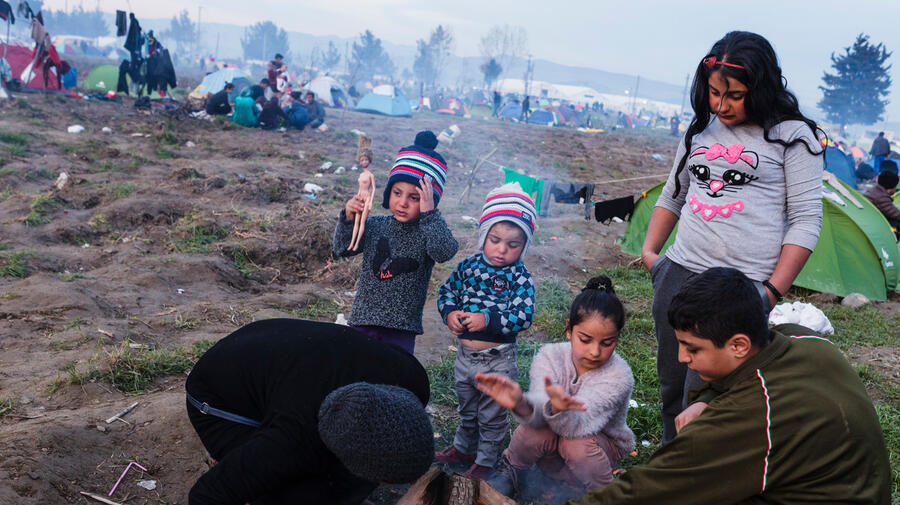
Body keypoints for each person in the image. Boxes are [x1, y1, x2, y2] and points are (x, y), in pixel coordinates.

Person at [553, 268, 892, 504]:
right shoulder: (807, 341)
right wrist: (708, 397)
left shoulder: (754, 416)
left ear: (739, 345)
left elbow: (652, 488)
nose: (683, 358)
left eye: (693, 348)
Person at [640, 31, 824, 443]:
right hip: (679, 272)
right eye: (714, 92)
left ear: (760, 89)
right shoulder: (701, 128)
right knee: (673, 384)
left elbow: (806, 220)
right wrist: (653, 255)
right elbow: (674, 193)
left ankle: (705, 475)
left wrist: (770, 292)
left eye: (735, 95)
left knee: (709, 394)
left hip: (740, 287)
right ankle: (674, 466)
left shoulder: (793, 137)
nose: (722, 105)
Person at [185, 319, 435, 505]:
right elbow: (206, 495)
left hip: (281, 356)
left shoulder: (412, 379)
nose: (412, 483)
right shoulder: (293, 441)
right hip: (215, 399)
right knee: (307, 494)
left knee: (347, 482)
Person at [477, 276, 634, 500]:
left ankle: (603, 496)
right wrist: (522, 403)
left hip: (598, 448)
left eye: (607, 343)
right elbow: (538, 410)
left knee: (575, 446)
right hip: (557, 447)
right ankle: (514, 473)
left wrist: (559, 410)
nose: (595, 352)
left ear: (617, 338)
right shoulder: (550, 356)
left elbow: (578, 427)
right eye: (585, 339)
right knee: (532, 430)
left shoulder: (619, 376)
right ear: (569, 330)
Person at [434, 182, 538, 479]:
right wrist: (450, 312)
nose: (502, 249)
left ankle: (486, 460)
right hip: (466, 357)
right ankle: (463, 448)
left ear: (524, 245)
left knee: (491, 413)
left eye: (513, 244)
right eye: (495, 239)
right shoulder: (467, 267)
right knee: (467, 408)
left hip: (498, 359)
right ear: (484, 234)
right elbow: (446, 292)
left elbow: (524, 315)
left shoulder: (519, 277)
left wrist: (487, 320)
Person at [333, 130, 458, 354]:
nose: (402, 203)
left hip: (402, 328)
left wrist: (430, 215)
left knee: (394, 378)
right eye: (397, 192)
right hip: (363, 320)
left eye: (414, 198)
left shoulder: (427, 231)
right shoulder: (376, 225)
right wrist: (349, 218)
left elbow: (444, 251)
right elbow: (342, 248)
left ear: (430, 202)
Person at [864, 171, 900, 240]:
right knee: (897, 224)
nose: (895, 188)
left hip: (870, 219)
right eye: (895, 186)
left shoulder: (875, 189)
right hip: (873, 224)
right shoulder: (881, 198)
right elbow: (896, 214)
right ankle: (892, 240)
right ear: (890, 188)